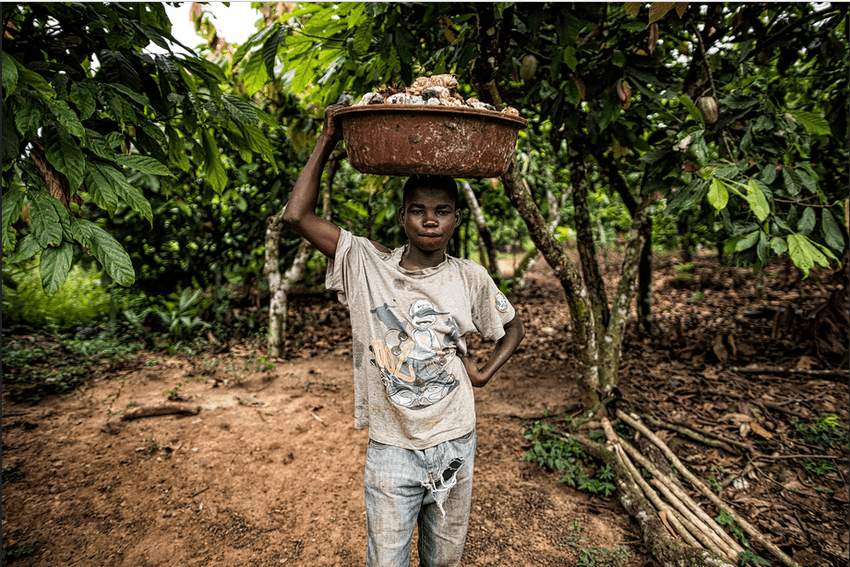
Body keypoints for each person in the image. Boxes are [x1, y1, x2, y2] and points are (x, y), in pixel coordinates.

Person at [283, 103, 526, 567]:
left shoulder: (470, 278)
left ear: (458, 219)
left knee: (444, 559)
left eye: (442, 211)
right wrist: (327, 140)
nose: (430, 220)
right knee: (387, 560)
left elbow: (512, 327)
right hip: (392, 447)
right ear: (402, 217)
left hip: (455, 440)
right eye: (418, 210)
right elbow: (296, 216)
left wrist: (483, 374)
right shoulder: (367, 264)